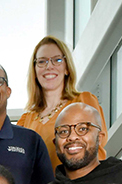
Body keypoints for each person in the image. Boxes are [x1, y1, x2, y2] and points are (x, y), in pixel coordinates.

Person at [17, 36, 108, 172]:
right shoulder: (25, 121)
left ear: (67, 68)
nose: (49, 66)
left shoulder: (83, 102)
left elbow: (97, 148)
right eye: (42, 61)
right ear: (35, 71)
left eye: (57, 60)